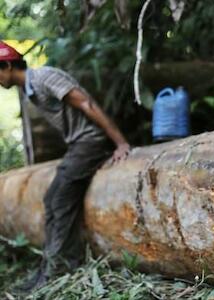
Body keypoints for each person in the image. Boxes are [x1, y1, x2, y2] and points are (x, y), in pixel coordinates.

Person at [0, 41, 131, 291]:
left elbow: (86, 104)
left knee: (59, 199)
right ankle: (50, 267)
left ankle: (59, 267)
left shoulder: (44, 77)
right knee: (52, 199)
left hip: (90, 142)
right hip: (78, 146)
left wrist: (120, 142)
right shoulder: (28, 89)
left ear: (6, 65)